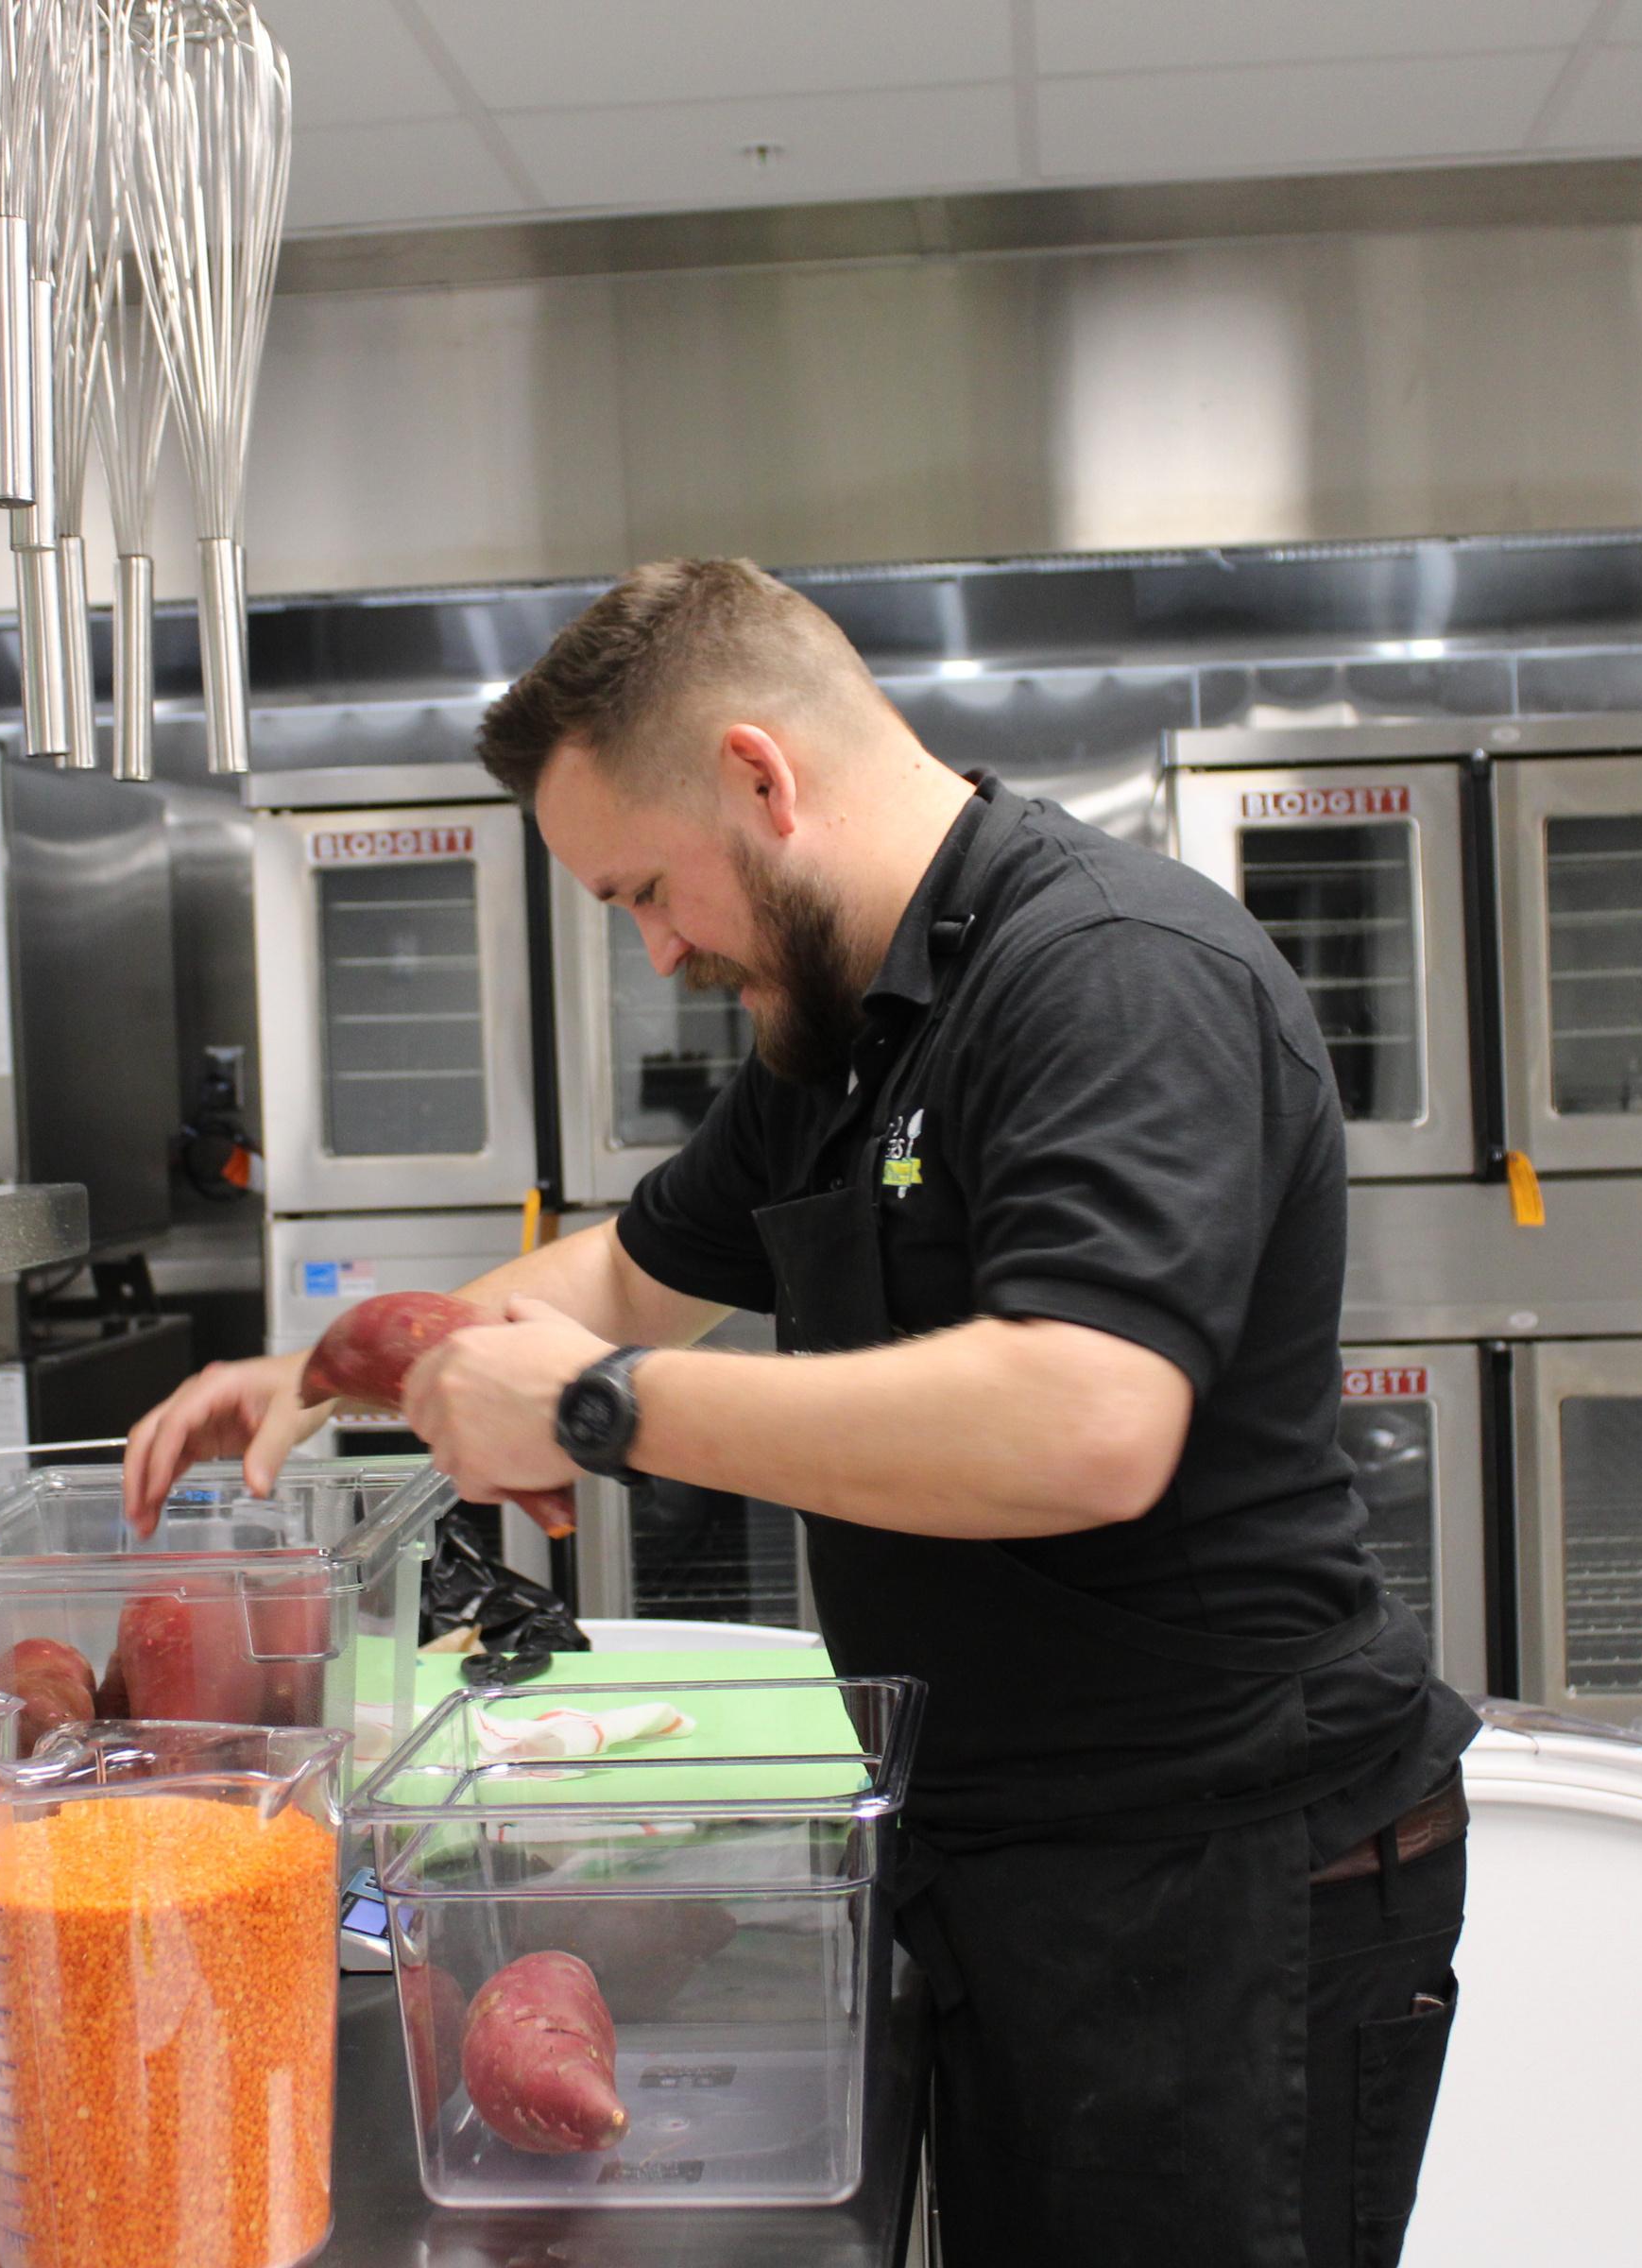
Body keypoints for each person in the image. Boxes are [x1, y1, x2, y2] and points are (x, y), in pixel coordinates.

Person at [126, 558, 1480, 2266]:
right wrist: (331, 1371)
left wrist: (600, 1413)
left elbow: (1087, 1418)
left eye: (647, 888)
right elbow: (628, 1275)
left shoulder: (1109, 972)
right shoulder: (852, 1033)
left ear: (761, 778)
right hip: (1023, 1864)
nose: (657, 947)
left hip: (1219, 1884)